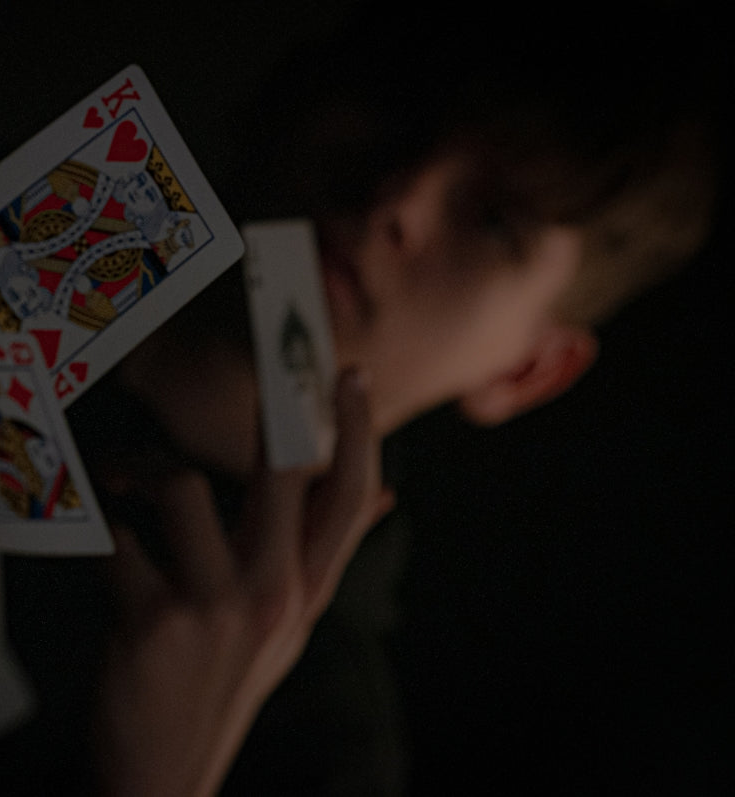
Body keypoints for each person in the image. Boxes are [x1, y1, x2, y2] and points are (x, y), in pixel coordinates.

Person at [76, 2, 728, 794]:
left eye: (494, 221)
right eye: (407, 106)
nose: (397, 203)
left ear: (529, 371)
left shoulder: (323, 751)